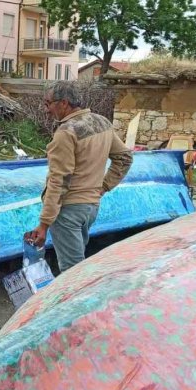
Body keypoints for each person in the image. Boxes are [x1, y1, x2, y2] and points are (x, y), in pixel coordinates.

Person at [25, 81, 133, 274]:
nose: (46, 109)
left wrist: (44, 224)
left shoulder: (66, 133)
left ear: (64, 103)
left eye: (48, 103)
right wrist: (103, 187)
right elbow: (124, 158)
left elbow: (60, 181)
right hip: (91, 207)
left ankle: (81, 304)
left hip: (68, 211)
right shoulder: (102, 123)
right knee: (77, 266)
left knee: (72, 273)